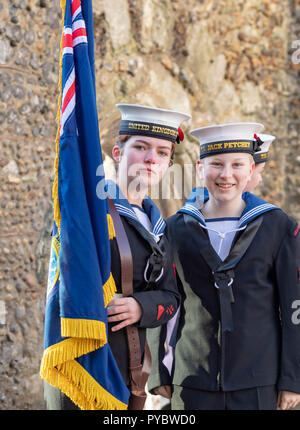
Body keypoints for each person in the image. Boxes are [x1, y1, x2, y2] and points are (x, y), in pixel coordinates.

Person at [44, 103, 191, 410]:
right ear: (117, 153)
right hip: (83, 365)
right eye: (141, 147)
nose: (152, 159)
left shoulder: (160, 227)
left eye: (162, 152)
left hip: (130, 372)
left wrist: (141, 306)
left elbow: (171, 298)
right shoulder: (90, 213)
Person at [148, 122, 300, 410]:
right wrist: (159, 370)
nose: (226, 174)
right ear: (200, 168)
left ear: (251, 170)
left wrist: (292, 379)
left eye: (237, 165)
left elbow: (294, 305)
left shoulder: (278, 226)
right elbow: (166, 299)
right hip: (191, 378)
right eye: (216, 164)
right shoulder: (175, 228)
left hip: (258, 379)